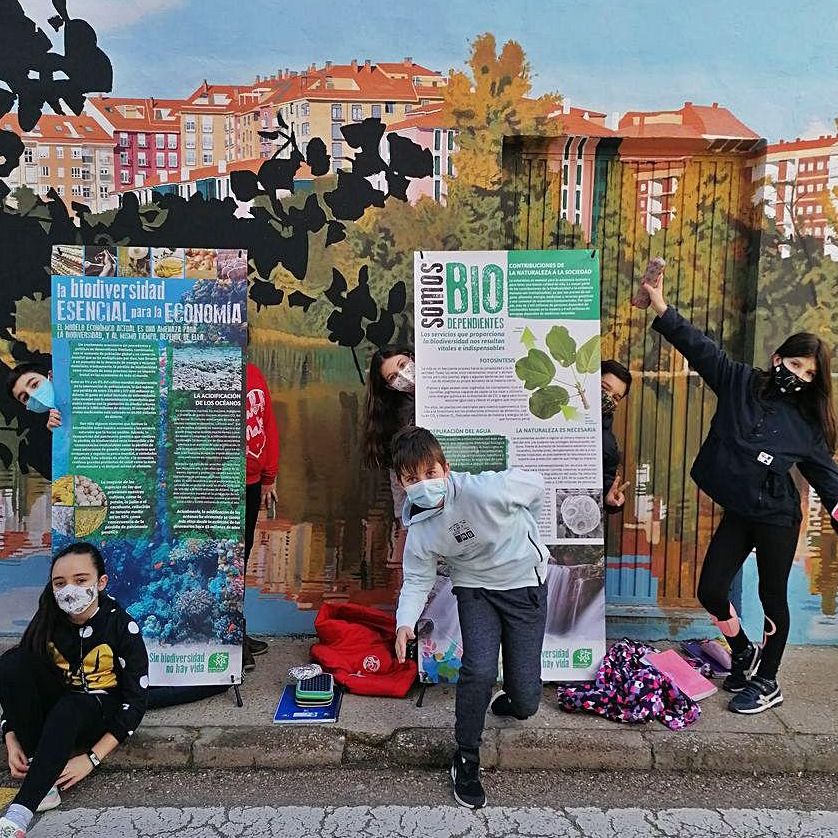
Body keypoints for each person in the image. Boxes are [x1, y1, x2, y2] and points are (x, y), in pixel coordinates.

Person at [638, 276, 838, 715]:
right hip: (741, 511)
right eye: (797, 364)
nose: (801, 376)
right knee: (711, 590)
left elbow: (829, 482)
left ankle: (768, 681)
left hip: (778, 518)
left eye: (811, 373)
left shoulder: (807, 426)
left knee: (772, 598)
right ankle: (742, 650)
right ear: (778, 357)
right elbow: (699, 347)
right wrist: (661, 307)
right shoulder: (739, 382)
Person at [392, 426, 549, 809]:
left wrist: (530, 536)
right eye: (412, 478)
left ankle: (511, 700)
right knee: (478, 669)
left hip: (524, 585)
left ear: (446, 468)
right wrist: (404, 623)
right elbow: (416, 578)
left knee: (527, 701)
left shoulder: (487, 489)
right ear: (401, 482)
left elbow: (537, 487)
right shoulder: (420, 528)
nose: (423, 484)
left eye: (430, 473)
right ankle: (466, 758)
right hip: (475, 589)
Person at [0, 542, 148, 837]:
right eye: (60, 583)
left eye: (81, 580)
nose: (70, 589)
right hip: (59, 705)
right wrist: (10, 734)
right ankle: (43, 773)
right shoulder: (49, 616)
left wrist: (91, 758)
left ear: (101, 582)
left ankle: (19, 814)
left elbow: (136, 701)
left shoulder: (121, 625)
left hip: (98, 709)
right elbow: (20, 678)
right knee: (11, 662)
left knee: (72, 706)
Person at [243, 361, 279, 671]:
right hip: (215, 484)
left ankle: (236, 629)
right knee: (222, 561)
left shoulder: (254, 371)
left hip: (251, 481)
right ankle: (228, 638)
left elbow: (267, 422)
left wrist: (270, 475)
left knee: (241, 555)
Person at [363, 345, 416, 559]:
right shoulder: (397, 420)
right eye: (394, 376)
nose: (403, 375)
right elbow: (400, 488)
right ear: (390, 386)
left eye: (403, 365)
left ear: (412, 357)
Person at [601, 360, 632, 514]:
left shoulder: (608, 444)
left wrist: (610, 498)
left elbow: (607, 484)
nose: (607, 397)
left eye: (615, 397)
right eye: (604, 388)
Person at [6, 363, 62, 431]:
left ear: (51, 376)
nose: (32, 395)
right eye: (25, 397)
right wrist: (59, 434)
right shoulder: (55, 425)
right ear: (27, 407)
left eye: (34, 385)